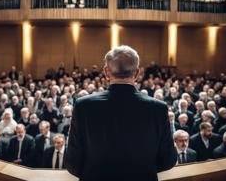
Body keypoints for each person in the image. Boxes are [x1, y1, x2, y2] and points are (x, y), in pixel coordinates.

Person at [65, 45, 177, 181]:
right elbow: (168, 160)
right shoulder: (158, 108)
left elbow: (72, 163)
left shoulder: (83, 106)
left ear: (106, 73)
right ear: (136, 73)